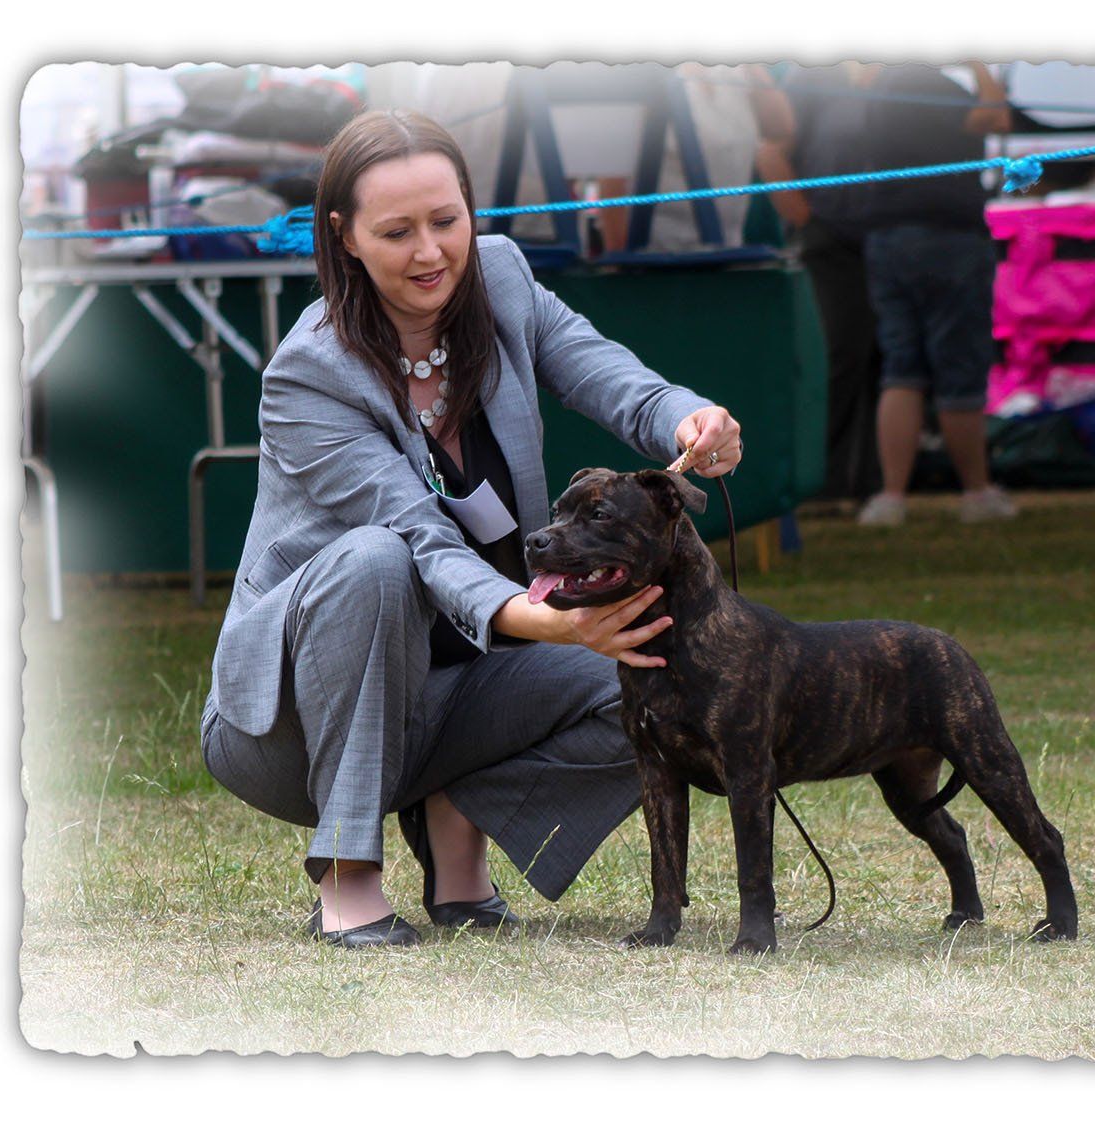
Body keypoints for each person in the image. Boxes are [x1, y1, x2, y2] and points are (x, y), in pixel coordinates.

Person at [199, 109, 742, 948]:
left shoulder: (505, 278)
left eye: (446, 221)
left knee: (658, 665)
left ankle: (457, 822)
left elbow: (603, 369)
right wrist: (548, 620)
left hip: (452, 696)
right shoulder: (309, 375)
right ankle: (347, 874)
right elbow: (420, 538)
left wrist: (687, 417)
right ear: (343, 236)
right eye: (397, 232)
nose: (430, 252)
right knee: (376, 561)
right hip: (285, 730)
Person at [851, 62, 1018, 526]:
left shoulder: (879, 88)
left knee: (901, 368)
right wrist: (978, 63)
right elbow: (996, 117)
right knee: (958, 365)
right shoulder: (933, 85)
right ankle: (977, 493)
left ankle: (891, 496)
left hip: (887, 238)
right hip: (948, 238)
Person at [755, 62, 883, 502]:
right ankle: (821, 484)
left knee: (877, 361)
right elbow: (770, 154)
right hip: (828, 242)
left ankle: (865, 483)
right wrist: (808, 222)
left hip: (880, 240)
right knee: (838, 358)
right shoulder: (813, 78)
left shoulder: (894, 77)